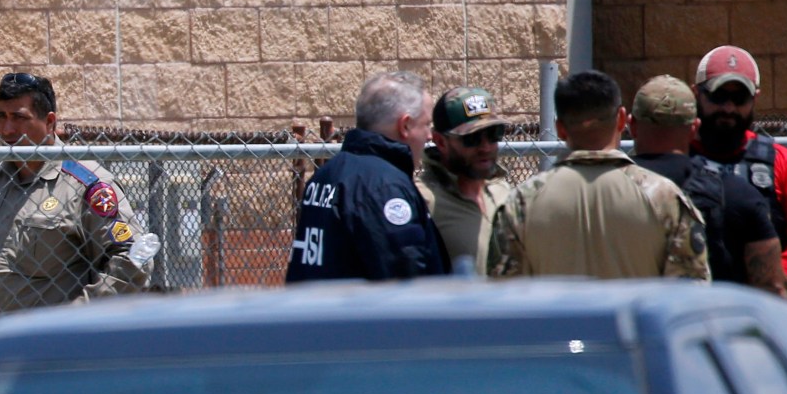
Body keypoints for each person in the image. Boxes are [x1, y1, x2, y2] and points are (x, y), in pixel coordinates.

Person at [0, 70, 154, 323]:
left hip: (44, 350)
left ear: (49, 122)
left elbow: (133, 260)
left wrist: (75, 319)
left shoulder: (85, 184)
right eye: (1, 117)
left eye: (18, 118)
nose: (6, 130)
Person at [485, 70, 709, 281]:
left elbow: (504, 296)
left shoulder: (522, 203)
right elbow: (690, 294)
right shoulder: (665, 198)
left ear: (560, 128)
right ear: (622, 120)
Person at [283, 70, 450, 282]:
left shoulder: (325, 176)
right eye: (426, 124)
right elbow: (406, 281)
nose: (428, 135)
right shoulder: (385, 187)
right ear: (405, 125)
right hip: (361, 314)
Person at [629, 76, 787, 296]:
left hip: (627, 326)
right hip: (715, 324)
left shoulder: (606, 191)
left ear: (631, 125)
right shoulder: (739, 194)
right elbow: (772, 287)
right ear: (694, 128)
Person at [693, 45, 787, 289]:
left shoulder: (779, 162)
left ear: (755, 99)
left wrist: (771, 281)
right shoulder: (678, 157)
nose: (729, 108)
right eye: (719, 96)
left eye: (740, 98)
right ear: (697, 94)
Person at [413, 88, 516, 273]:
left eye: (494, 134)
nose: (485, 147)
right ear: (441, 142)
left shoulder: (502, 191)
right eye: (472, 138)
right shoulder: (422, 201)